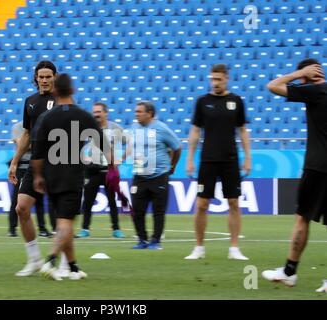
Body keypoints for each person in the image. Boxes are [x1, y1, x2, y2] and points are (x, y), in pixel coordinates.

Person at [31, 73, 111, 280]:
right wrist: (112, 165)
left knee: (62, 222)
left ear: (55, 91)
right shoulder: (84, 116)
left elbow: (37, 152)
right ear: (73, 90)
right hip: (72, 175)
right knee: (66, 223)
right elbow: (103, 144)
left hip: (51, 175)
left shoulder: (46, 117)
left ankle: (73, 267)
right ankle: (50, 260)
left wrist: (38, 176)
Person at [262, 58, 327, 292]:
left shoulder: (315, 91)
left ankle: (289, 272)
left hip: (318, 166)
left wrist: (298, 72)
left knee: (302, 218)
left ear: (308, 75)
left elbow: (273, 85)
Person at [185, 64, 251, 261]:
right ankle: (198, 247)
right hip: (208, 160)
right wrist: (190, 158)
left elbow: (242, 130)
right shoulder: (202, 102)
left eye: (218, 79)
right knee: (202, 204)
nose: (215, 83)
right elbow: (195, 131)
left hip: (230, 159)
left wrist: (248, 157)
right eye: (212, 79)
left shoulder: (236, 101)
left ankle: (234, 248)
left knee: (234, 203)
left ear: (227, 79)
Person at [9, 61, 68, 277]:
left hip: (59, 162)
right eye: (40, 77)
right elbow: (26, 134)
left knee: (61, 216)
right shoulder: (30, 101)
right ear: (35, 78)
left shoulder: (62, 99)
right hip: (35, 163)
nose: (44, 80)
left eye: (48, 76)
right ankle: (34, 259)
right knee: (21, 208)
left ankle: (64, 262)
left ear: (54, 77)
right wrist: (15, 161)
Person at [128, 101, 181, 250]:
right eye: (136, 111)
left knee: (158, 212)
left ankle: (155, 241)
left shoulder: (161, 128)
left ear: (149, 114)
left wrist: (172, 166)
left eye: (139, 112)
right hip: (139, 176)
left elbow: (177, 147)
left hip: (159, 176)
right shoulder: (133, 128)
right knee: (137, 211)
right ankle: (142, 240)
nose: (136, 114)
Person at [76, 102, 126, 239]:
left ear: (105, 113)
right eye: (94, 112)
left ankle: (116, 229)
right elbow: (78, 144)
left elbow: (130, 143)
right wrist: (83, 157)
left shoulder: (116, 128)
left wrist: (121, 158)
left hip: (110, 170)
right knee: (87, 201)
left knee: (112, 201)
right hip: (92, 170)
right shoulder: (89, 128)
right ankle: (85, 229)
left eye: (98, 112)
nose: (96, 114)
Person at [8, 121, 55, 238]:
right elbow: (21, 145)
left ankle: (42, 228)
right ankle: (12, 228)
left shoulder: (39, 125)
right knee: (16, 199)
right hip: (22, 167)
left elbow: (25, 144)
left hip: (36, 166)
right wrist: (36, 144)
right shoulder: (17, 127)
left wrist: (28, 143)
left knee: (39, 199)